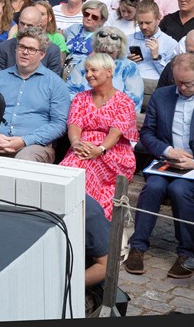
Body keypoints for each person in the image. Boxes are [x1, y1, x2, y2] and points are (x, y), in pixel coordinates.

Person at [123, 53, 194, 280]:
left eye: (188, 83)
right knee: (153, 187)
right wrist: (168, 151)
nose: (181, 88)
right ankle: (138, 246)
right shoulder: (162, 95)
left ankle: (186, 252)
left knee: (179, 190)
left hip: (192, 165)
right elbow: (147, 133)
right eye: (178, 82)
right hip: (167, 161)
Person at [58, 53, 138, 219]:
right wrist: (76, 143)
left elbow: (116, 133)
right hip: (82, 148)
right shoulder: (81, 98)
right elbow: (74, 124)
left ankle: (85, 219)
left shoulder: (124, 101)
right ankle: (68, 215)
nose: (88, 75)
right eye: (86, 71)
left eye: (94, 70)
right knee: (69, 167)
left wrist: (100, 149)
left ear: (109, 72)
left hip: (113, 152)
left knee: (85, 169)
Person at [0, 27, 71, 163]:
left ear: (42, 54)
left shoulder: (55, 84)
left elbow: (59, 124)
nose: (25, 52)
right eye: (21, 47)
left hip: (34, 146)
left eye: (31, 49)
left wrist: (24, 140)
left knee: (24, 160)